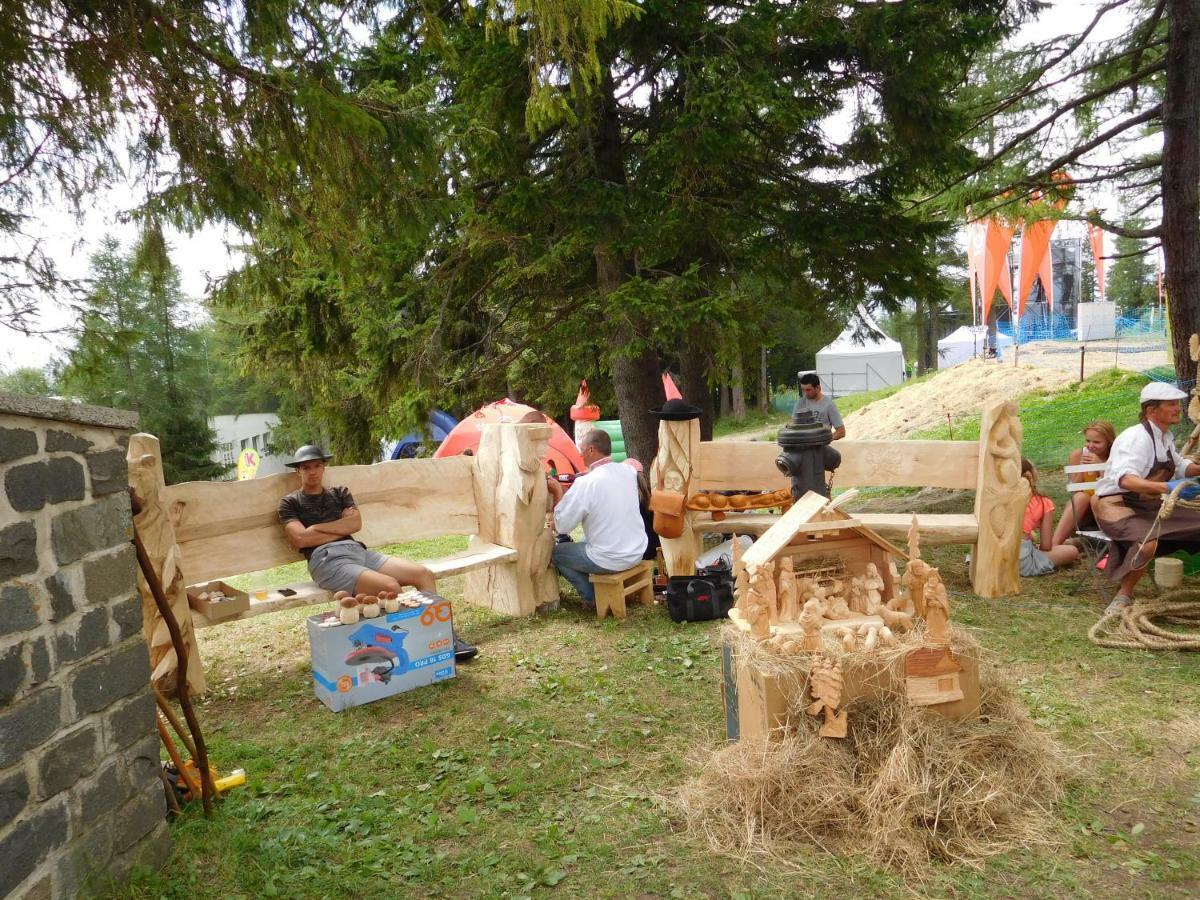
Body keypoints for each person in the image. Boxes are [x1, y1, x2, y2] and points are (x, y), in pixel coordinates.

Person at [277, 445, 477, 660]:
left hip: (358, 551)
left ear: (324, 467)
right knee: (389, 586)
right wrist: (337, 528)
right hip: (327, 560)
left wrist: (315, 529)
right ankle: (418, 644)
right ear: (298, 471)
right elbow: (299, 539)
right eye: (306, 468)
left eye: (317, 466)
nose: (313, 471)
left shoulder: (339, 493)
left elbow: (355, 524)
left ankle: (445, 636)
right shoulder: (290, 502)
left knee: (423, 574)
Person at [1091, 383, 1200, 615]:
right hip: (1115, 505)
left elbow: (1180, 466)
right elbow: (1125, 480)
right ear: (1152, 411)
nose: (1178, 408)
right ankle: (1123, 595)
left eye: (1176, 403)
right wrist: (1166, 486)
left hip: (1147, 505)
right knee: (1148, 541)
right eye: (1171, 404)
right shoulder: (1135, 437)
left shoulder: (1164, 436)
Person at [546, 430, 648, 607]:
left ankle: (593, 597)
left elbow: (562, 526)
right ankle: (599, 589)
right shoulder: (628, 471)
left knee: (557, 553)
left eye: (582, 449)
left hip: (612, 558)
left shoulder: (586, 483)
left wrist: (556, 492)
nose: (580, 454)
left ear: (591, 450)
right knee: (587, 540)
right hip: (637, 550)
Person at [1050, 421, 1116, 548]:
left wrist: (1100, 467)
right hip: (1083, 511)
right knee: (1081, 497)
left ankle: (1108, 545)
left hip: (1107, 507)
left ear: (1108, 441)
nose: (1091, 445)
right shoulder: (1078, 455)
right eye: (1088, 441)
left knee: (1094, 498)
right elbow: (1074, 489)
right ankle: (1053, 546)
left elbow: (1115, 487)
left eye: (1096, 442)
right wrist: (1082, 468)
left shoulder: (1116, 455)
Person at [1019, 458, 1080, 576]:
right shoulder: (1043, 502)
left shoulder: (999, 498)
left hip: (994, 558)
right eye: (1035, 467)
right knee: (1072, 551)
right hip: (1020, 563)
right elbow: (1046, 546)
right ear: (1029, 475)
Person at [793, 373, 845, 440]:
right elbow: (793, 424)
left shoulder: (829, 405)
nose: (805, 393)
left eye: (808, 390)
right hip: (803, 445)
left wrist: (823, 441)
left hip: (822, 447)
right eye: (803, 390)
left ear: (818, 388)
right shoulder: (800, 403)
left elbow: (841, 432)